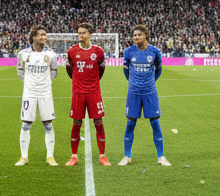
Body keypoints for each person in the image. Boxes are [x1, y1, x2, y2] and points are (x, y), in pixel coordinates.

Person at [120, 24, 169, 166]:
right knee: (130, 123)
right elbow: (126, 71)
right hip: (133, 92)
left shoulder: (155, 51)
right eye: (134, 35)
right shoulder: (129, 51)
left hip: (150, 92)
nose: (136, 37)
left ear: (146, 36)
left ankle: (161, 157)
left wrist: (150, 82)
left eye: (139, 35)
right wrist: (134, 82)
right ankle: (127, 156)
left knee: (155, 123)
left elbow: (159, 70)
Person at [66, 23, 109, 166]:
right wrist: (78, 82)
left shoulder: (98, 51)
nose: (81, 35)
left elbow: (101, 69)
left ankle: (102, 156)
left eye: (83, 33)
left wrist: (93, 82)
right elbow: (69, 70)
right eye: (79, 33)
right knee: (76, 123)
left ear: (90, 34)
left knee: (98, 122)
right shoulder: (72, 51)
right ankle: (74, 156)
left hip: (94, 92)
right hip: (78, 93)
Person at [16, 25, 60, 166]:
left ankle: (50, 157)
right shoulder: (23, 54)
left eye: (45, 35)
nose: (44, 38)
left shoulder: (51, 55)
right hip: (29, 93)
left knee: (48, 124)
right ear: (33, 37)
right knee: (26, 124)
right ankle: (24, 157)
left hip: (45, 93)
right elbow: (20, 71)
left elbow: (54, 71)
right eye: (41, 35)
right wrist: (30, 84)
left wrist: (44, 84)